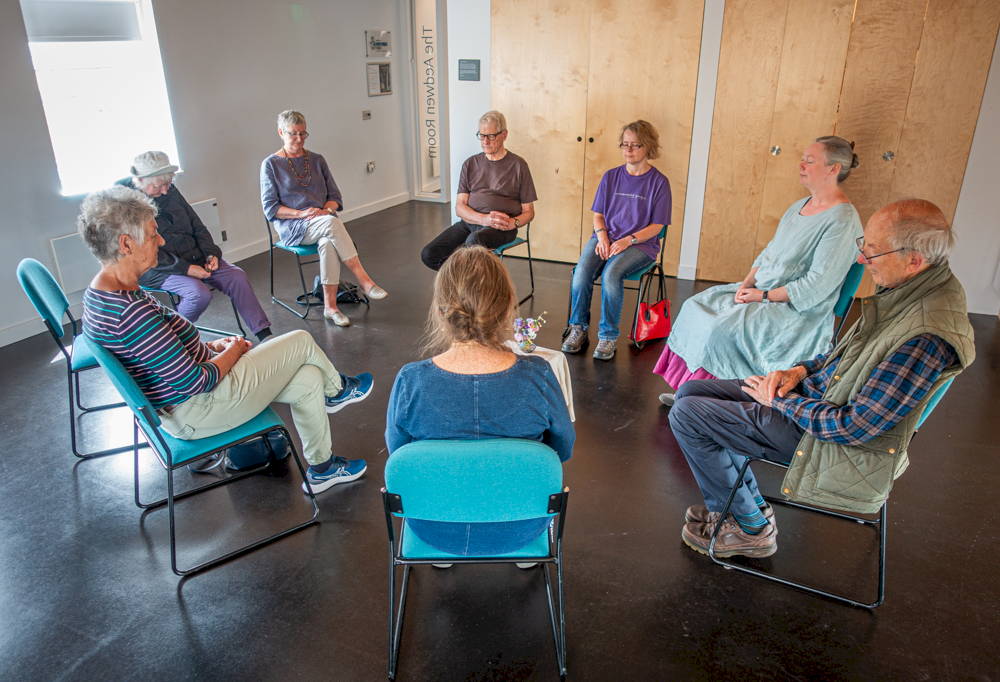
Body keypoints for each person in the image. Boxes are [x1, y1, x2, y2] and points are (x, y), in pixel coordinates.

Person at [669, 199, 975, 559]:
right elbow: (839, 356)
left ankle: (750, 528)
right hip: (816, 402)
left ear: (913, 260)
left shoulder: (925, 335)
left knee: (688, 416)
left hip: (828, 439)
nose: (861, 260)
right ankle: (745, 508)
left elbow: (855, 428)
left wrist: (782, 400)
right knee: (688, 391)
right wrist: (797, 371)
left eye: (872, 251)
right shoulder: (908, 291)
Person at [79, 185, 373, 494]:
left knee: (309, 376)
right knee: (300, 340)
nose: (162, 240)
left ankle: (323, 469)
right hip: (198, 409)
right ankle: (337, 390)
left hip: (187, 404)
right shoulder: (130, 312)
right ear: (126, 244)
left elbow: (162, 356)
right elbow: (195, 382)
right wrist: (232, 351)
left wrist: (209, 348)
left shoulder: (108, 292)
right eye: (154, 235)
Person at [386, 246, 574, 559]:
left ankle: (443, 558)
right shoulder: (539, 375)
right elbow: (563, 449)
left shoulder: (410, 381)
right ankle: (526, 558)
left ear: (442, 311)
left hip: (434, 528)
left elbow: (399, 454)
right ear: (506, 310)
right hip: (522, 527)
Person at [655, 136, 863, 405]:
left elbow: (815, 287)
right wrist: (747, 282)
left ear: (833, 169)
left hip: (794, 309)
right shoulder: (798, 206)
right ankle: (690, 390)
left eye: (810, 161)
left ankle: (709, 399)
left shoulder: (842, 221)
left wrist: (762, 296)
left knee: (721, 329)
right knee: (695, 306)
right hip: (762, 291)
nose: (801, 164)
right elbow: (769, 251)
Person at [117, 152, 274, 344]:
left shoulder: (169, 190)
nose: (166, 190)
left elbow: (196, 224)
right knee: (198, 294)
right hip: (157, 267)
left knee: (236, 276)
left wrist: (211, 253)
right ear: (140, 180)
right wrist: (186, 269)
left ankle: (265, 335)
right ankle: (172, 342)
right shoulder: (126, 202)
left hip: (194, 256)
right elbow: (144, 250)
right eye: (159, 186)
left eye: (168, 184)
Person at [261, 110, 387, 327]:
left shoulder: (317, 160)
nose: (299, 139)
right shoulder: (271, 165)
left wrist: (325, 211)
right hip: (293, 227)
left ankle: (330, 308)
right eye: (293, 134)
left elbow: (335, 197)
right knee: (331, 226)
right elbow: (271, 208)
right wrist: (302, 214)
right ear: (281, 132)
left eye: (303, 133)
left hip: (324, 222)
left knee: (328, 240)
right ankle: (364, 281)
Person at [562, 120, 671, 361]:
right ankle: (578, 328)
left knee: (612, 274)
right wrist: (602, 237)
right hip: (606, 238)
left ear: (648, 147)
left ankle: (608, 336)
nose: (628, 150)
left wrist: (628, 241)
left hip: (640, 245)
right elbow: (598, 215)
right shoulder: (611, 176)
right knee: (581, 272)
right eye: (624, 145)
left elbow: (658, 226)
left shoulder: (659, 182)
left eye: (634, 145)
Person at [420, 111, 537, 271]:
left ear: (504, 134)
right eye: (482, 136)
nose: (485, 142)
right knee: (429, 253)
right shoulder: (470, 164)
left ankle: (470, 289)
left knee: (474, 241)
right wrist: (483, 219)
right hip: (471, 223)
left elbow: (529, 211)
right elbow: (460, 207)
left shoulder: (518, 165)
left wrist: (513, 223)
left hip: (500, 228)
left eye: (491, 136)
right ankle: (463, 282)